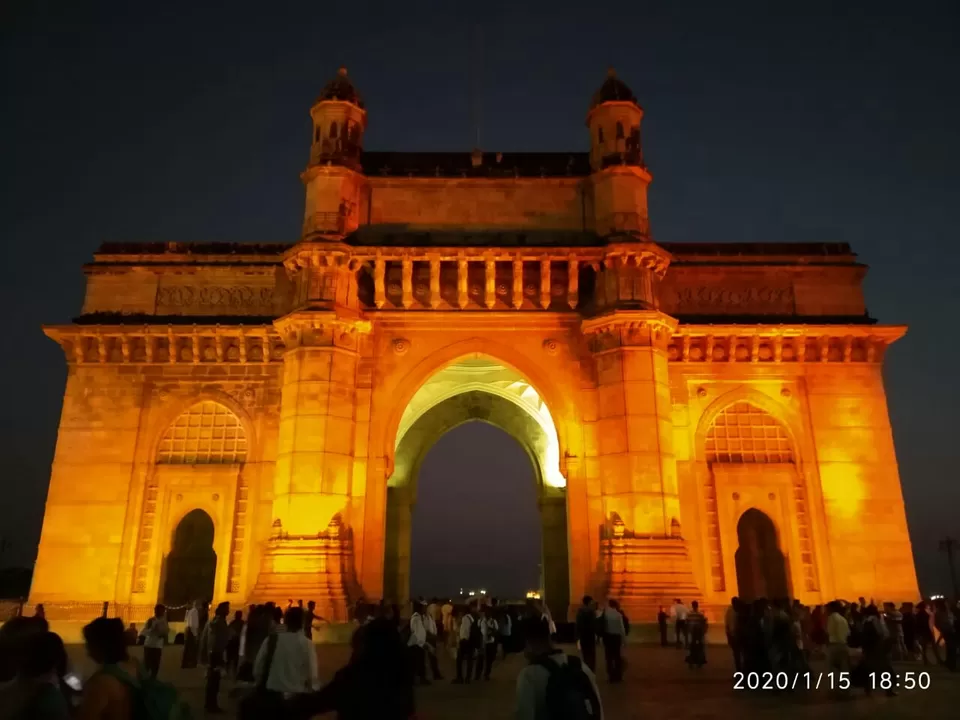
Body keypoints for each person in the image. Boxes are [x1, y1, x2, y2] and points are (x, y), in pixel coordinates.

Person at [515, 614, 603, 720]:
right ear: (549, 638)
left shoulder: (528, 676)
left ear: (527, 643)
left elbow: (525, 714)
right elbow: (597, 706)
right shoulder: (578, 665)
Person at [76, 618, 140, 720]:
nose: (87, 648)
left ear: (99, 645)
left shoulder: (101, 683)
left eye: (88, 643)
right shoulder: (134, 666)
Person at [254, 606, 319, 696]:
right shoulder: (307, 644)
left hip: (272, 694)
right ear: (303, 623)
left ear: (285, 621)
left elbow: (258, 669)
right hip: (296, 694)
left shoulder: (271, 640)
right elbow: (312, 675)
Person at [199, 601, 231, 713]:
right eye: (227, 608)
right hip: (216, 655)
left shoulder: (214, 621)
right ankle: (211, 705)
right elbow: (214, 640)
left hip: (214, 655)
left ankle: (210, 704)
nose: (228, 611)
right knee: (214, 682)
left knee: (213, 682)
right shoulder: (218, 623)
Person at [139, 604, 168, 679]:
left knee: (155, 665)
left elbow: (165, 632)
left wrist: (163, 635)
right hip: (149, 645)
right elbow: (145, 631)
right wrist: (153, 629)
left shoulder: (164, 621)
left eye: (163, 611)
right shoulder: (151, 620)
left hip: (158, 646)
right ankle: (144, 679)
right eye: (159, 610)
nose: (162, 612)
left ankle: (153, 679)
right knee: (147, 664)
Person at [600, 599, 626, 683]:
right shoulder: (618, 615)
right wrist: (624, 640)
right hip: (616, 638)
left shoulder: (606, 614)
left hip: (608, 637)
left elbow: (603, 625)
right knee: (617, 656)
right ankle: (618, 675)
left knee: (609, 657)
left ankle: (610, 675)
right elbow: (622, 629)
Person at [453, 603, 479, 684]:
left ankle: (460, 677)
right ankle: (468, 678)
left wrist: (462, 640)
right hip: (471, 641)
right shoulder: (471, 618)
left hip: (465, 641)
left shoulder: (465, 618)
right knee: (469, 660)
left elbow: (465, 631)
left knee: (459, 660)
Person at [406, 601, 429, 686]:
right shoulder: (416, 618)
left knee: (420, 663)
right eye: (424, 608)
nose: (425, 610)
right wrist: (421, 643)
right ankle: (417, 680)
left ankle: (421, 679)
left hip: (420, 644)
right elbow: (416, 632)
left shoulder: (420, 617)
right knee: (416, 663)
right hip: (416, 644)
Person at [575, 596, 599, 671]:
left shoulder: (580, 611)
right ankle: (591, 670)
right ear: (589, 602)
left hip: (583, 635)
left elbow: (577, 624)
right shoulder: (592, 612)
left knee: (585, 654)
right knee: (591, 654)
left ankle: (586, 669)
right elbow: (594, 624)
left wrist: (577, 636)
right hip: (590, 635)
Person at [477, 606, 499, 681]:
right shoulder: (480, 621)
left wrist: (491, 632)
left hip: (490, 643)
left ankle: (486, 674)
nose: (486, 614)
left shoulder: (493, 621)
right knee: (480, 659)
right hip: (482, 642)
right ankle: (478, 674)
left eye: (488, 612)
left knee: (489, 660)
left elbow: (496, 631)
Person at [686, 601, 708, 669]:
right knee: (700, 648)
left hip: (692, 634)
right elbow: (703, 623)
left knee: (692, 648)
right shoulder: (700, 614)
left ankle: (691, 662)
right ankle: (699, 661)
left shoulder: (689, 614)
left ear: (692, 606)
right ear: (697, 606)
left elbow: (687, 623)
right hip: (699, 634)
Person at [181, 599, 202, 669]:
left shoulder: (190, 611)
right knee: (192, 648)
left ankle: (184, 663)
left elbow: (185, 619)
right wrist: (195, 635)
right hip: (191, 631)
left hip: (187, 629)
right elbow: (194, 624)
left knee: (187, 648)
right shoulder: (195, 611)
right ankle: (190, 663)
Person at [226, 610, 245, 677]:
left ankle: (229, 672)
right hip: (236, 643)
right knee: (234, 659)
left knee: (230, 659)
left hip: (232, 643)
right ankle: (233, 672)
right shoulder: (242, 623)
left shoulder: (233, 623)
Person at [725, 598, 741, 670]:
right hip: (734, 635)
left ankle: (739, 667)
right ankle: (739, 668)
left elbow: (727, 624)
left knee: (737, 653)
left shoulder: (731, 611)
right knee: (736, 653)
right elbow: (727, 624)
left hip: (737, 635)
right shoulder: (731, 611)